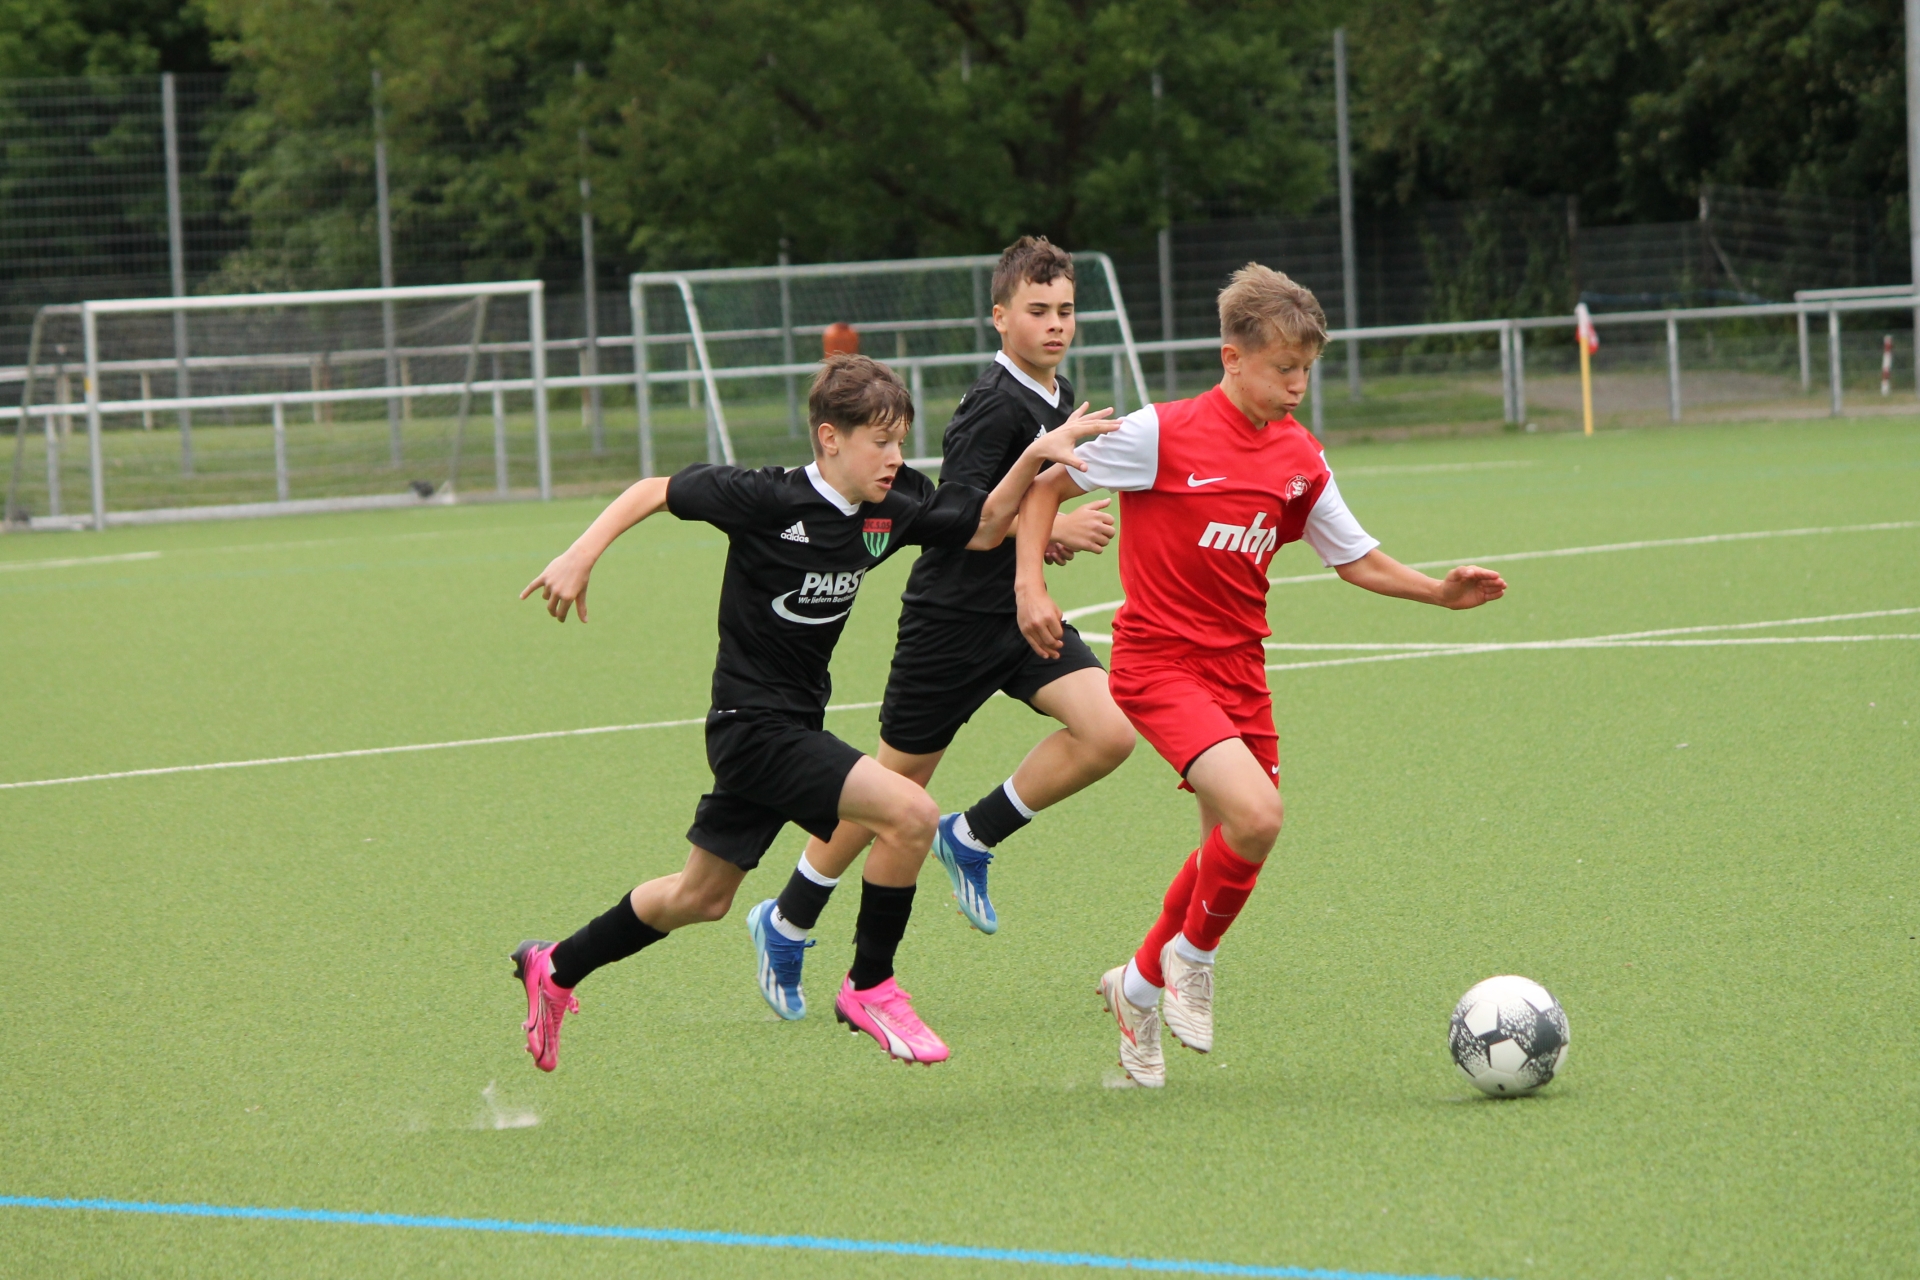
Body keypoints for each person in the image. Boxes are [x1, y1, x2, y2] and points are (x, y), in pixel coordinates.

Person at [513, 353, 1114, 1070]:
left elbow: (984, 526)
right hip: (751, 727)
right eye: (879, 443)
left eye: (900, 442)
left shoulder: (893, 504)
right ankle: (871, 986)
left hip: (793, 725)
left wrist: (1037, 463)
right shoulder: (768, 498)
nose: (895, 458)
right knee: (912, 814)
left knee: (700, 897)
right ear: (830, 438)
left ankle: (556, 965)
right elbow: (655, 490)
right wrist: (580, 554)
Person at [1011, 264, 1509, 1087]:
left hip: (1241, 673)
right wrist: (1031, 584)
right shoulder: (1160, 433)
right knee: (1258, 817)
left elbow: (1354, 555)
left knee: (1229, 842)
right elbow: (1044, 489)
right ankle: (1193, 959)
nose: (1298, 386)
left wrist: (1437, 593)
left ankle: (1136, 989)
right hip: (1159, 664)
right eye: (1284, 369)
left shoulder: (1298, 456)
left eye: (1306, 369)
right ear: (1232, 358)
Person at [743, 237, 1137, 1023]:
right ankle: (786, 916)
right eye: (1037, 310)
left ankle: (974, 834)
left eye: (1065, 311)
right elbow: (964, 519)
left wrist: (1050, 529)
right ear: (1000, 318)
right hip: (951, 625)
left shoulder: (1058, 395)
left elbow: (1024, 501)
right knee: (892, 792)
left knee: (1109, 731)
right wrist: (1042, 548)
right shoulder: (994, 405)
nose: (1055, 325)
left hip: (1016, 615)